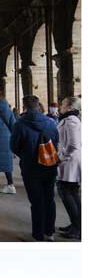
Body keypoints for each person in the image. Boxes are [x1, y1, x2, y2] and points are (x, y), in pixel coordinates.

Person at [11, 94, 61, 240]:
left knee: (37, 201)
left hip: (30, 167)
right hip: (49, 165)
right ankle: (49, 232)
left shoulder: (20, 124)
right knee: (49, 199)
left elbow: (14, 146)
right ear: (38, 105)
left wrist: (25, 155)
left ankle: (38, 234)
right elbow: (56, 142)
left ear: (25, 106)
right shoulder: (51, 122)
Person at [56, 96, 81, 240]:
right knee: (72, 193)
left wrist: (61, 156)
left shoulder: (71, 121)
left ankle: (77, 227)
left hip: (69, 161)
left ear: (70, 107)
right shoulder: (70, 120)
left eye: (64, 104)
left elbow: (74, 144)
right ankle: (76, 224)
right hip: (70, 161)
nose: (61, 106)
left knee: (66, 193)